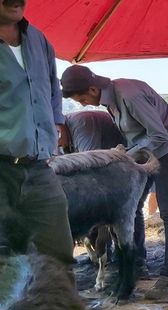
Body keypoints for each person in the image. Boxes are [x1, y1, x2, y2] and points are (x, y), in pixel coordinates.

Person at [60, 64, 168, 300]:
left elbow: (160, 134)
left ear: (92, 88)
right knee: (133, 209)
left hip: (165, 151)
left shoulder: (128, 94)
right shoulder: (110, 101)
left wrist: (126, 156)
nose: (83, 103)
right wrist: (129, 153)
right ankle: (137, 264)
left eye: (82, 97)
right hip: (141, 152)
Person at [0, 0, 74, 264]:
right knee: (5, 261)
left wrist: (55, 121)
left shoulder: (38, 40)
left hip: (39, 170)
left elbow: (53, 86)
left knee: (59, 255)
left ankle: (60, 305)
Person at [57, 110, 125, 153]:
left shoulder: (82, 124)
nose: (56, 145)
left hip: (127, 153)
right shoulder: (60, 137)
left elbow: (91, 164)